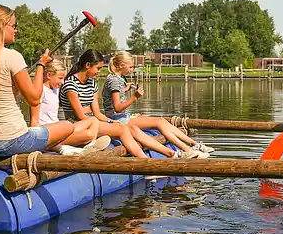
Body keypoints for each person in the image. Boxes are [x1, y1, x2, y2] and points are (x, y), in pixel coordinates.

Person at [0, 4, 83, 157]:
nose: (16, 30)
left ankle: (57, 148)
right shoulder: (12, 56)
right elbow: (35, 99)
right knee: (67, 126)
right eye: (14, 26)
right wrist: (41, 65)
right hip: (9, 141)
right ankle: (59, 148)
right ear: (1, 27)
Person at [60, 50, 204, 159]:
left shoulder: (92, 83)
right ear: (87, 66)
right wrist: (114, 123)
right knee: (123, 130)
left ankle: (171, 153)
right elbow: (80, 115)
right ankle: (146, 163)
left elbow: (97, 113)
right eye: (97, 69)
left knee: (132, 129)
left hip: (95, 121)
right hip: (80, 124)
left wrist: (111, 122)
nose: (99, 72)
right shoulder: (71, 85)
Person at [102, 51, 214, 156]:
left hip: (121, 117)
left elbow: (113, 98)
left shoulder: (115, 78)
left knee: (160, 120)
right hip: (118, 119)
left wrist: (125, 89)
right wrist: (135, 97)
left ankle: (193, 145)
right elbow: (117, 107)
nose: (132, 70)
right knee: (159, 122)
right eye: (130, 67)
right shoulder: (115, 81)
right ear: (122, 65)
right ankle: (188, 149)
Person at [28, 60, 111, 155]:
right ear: (49, 75)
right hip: (48, 134)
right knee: (88, 134)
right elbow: (34, 120)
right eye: (60, 78)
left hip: (59, 130)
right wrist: (34, 144)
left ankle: (89, 145)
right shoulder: (40, 92)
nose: (62, 82)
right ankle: (79, 146)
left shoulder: (55, 89)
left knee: (93, 120)